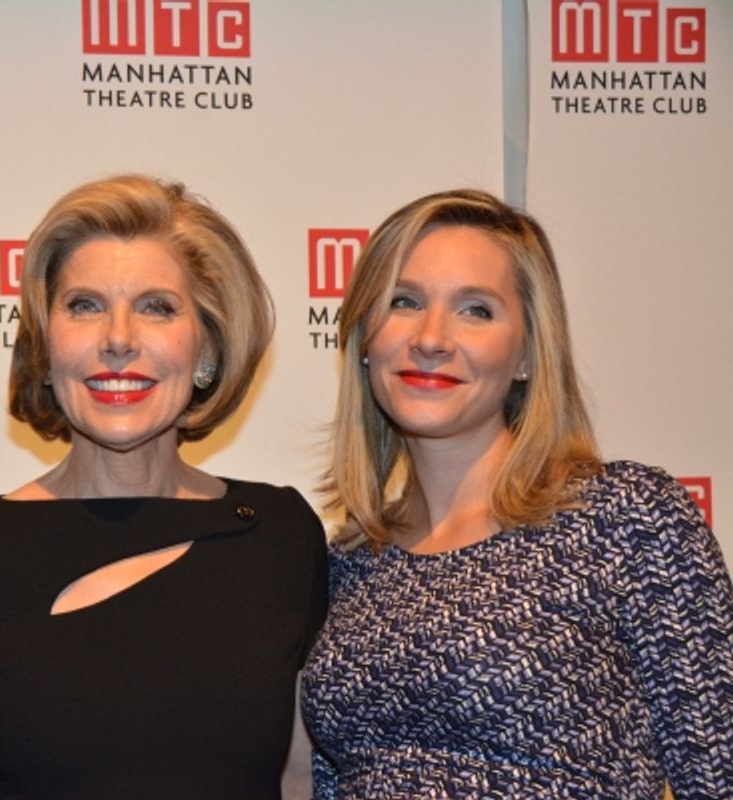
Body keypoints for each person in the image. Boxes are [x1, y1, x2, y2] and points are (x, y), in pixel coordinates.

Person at [0, 174, 328, 799]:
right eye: (84, 305)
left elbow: (300, 781)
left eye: (157, 307)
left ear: (206, 347)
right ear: (46, 346)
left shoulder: (278, 535)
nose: (119, 339)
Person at [301, 188, 733, 798]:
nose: (431, 337)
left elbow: (718, 772)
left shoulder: (625, 518)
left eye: (475, 310)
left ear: (527, 353)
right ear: (365, 341)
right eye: (404, 301)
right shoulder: (349, 562)